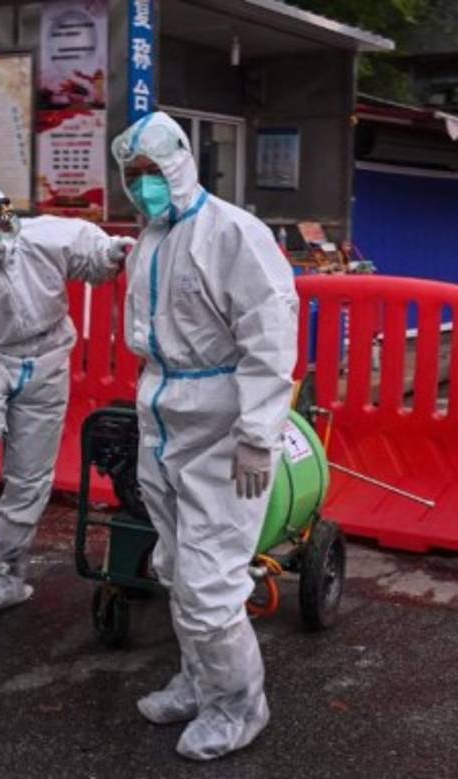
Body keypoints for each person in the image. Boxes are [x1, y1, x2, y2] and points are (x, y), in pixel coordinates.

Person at [110, 111, 297, 761]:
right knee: (175, 565)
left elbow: (270, 338)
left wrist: (256, 433)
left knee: (211, 583)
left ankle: (240, 706)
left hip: (221, 426)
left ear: (181, 163)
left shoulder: (233, 234)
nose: (143, 187)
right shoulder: (150, 240)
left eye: (151, 172)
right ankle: (199, 679)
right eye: (132, 177)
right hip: (161, 419)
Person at [0, 181, 134, 610]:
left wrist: (110, 255)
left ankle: (7, 575)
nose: (2, 238)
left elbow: (90, 254)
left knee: (31, 474)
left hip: (48, 354)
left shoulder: (42, 238)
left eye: (5, 225)